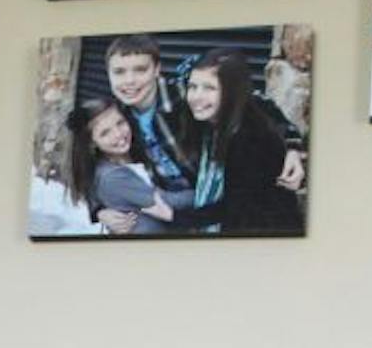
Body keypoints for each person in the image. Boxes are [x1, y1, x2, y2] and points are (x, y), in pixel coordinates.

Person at [94, 35, 304, 236]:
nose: (129, 81)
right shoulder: (115, 115)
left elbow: (253, 101)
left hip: (208, 197)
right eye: (119, 72)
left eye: (140, 70)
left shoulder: (186, 93)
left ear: (157, 69)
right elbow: (84, 160)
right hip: (167, 199)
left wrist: (293, 146)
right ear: (108, 74)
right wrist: (98, 211)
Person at [178, 49, 303, 234]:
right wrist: (294, 145)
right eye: (192, 87)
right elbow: (263, 102)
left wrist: (173, 217)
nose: (197, 96)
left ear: (232, 92)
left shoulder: (252, 140)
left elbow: (235, 209)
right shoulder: (211, 119)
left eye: (210, 88)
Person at [63, 98, 175, 235]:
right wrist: (98, 211)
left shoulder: (139, 143)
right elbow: (167, 207)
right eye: (105, 133)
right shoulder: (110, 174)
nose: (118, 134)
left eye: (120, 123)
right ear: (92, 143)